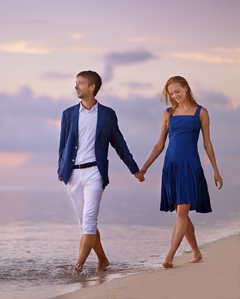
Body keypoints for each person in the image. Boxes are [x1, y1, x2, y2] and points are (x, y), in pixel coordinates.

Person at [58, 70, 144, 273]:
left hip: (95, 173)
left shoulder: (107, 114)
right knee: (84, 223)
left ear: (92, 87)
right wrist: (61, 170)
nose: (76, 86)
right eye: (75, 83)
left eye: (80, 83)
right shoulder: (68, 113)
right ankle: (103, 260)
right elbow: (63, 145)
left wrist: (134, 170)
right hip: (72, 175)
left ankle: (76, 269)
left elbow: (119, 144)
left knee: (89, 221)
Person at [139, 76, 223, 268]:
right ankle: (196, 252)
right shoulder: (168, 113)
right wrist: (145, 167)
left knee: (182, 213)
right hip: (171, 166)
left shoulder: (201, 112)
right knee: (180, 213)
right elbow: (160, 144)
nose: (175, 96)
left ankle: (169, 255)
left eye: (177, 91)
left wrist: (215, 171)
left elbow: (207, 143)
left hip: (190, 165)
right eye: (171, 93)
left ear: (186, 88)